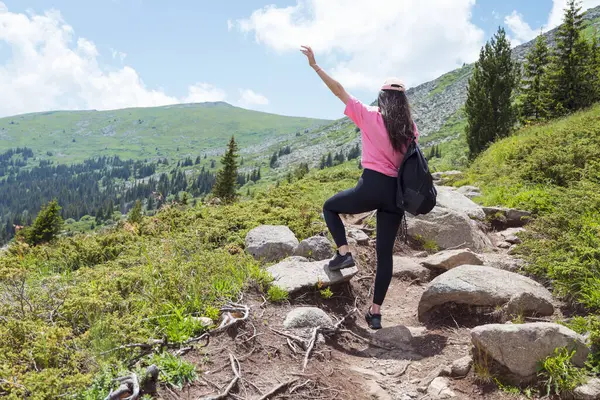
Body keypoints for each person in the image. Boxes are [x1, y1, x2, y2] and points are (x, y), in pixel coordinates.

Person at [300, 45, 419, 330]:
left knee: (330, 206)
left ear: (382, 98)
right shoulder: (410, 128)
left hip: (372, 185)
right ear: (403, 102)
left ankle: (343, 253)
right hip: (396, 195)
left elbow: (339, 91)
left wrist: (316, 67)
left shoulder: (369, 116)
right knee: (385, 255)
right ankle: (375, 313)